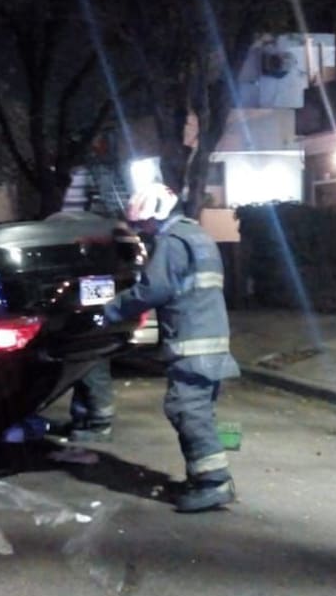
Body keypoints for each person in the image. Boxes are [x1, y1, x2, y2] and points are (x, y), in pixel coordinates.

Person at [102, 184, 240, 512]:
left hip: (193, 343)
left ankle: (213, 483)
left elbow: (153, 290)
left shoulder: (172, 242)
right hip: (210, 339)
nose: (144, 231)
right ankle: (204, 476)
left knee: (186, 409)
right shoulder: (198, 236)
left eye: (145, 224)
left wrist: (110, 310)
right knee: (199, 410)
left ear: (159, 214)